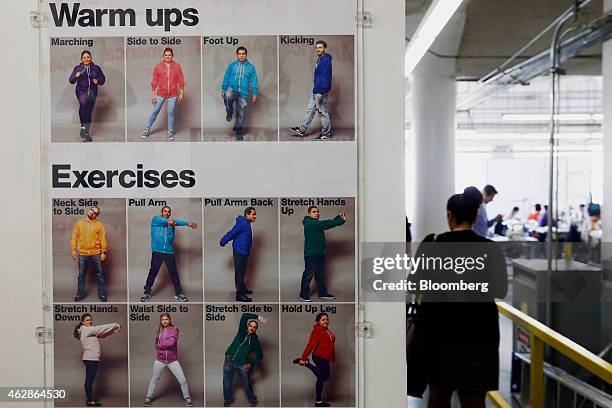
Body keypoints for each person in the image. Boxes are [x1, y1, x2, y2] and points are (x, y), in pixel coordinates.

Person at [409, 186, 508, 408]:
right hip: (478, 337)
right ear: (475, 217)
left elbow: (414, 284)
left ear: (449, 216)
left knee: (438, 396)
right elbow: (500, 289)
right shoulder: (490, 249)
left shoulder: (432, 244)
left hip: (439, 335)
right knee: (473, 399)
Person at [141, 206, 197, 303]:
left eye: (168, 212)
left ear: (170, 214)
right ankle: (147, 292)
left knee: (174, 273)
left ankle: (179, 293)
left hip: (169, 252)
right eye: (165, 211)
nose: (166, 213)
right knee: (153, 272)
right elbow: (173, 221)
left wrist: (171, 228)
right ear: (162, 212)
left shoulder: (171, 225)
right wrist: (187, 223)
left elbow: (170, 240)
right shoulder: (156, 219)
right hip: (157, 252)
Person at [144, 313, 194, 407]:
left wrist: (160, 345)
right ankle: (148, 397)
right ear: (161, 321)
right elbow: (156, 344)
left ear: (169, 320)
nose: (164, 321)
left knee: (182, 380)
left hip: (172, 361)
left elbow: (171, 343)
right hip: (160, 360)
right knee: (154, 379)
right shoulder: (159, 330)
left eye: (166, 319)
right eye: (162, 319)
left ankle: (187, 397)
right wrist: (159, 347)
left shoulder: (174, 329)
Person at [299, 206, 346, 302]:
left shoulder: (316, 223)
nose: (317, 213)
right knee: (308, 275)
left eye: (317, 212)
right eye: (314, 212)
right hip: (311, 254)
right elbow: (325, 224)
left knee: (320, 275)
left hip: (319, 254)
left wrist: (338, 217)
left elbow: (325, 223)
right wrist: (341, 221)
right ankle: (303, 294)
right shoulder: (310, 223)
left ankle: (322, 293)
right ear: (309, 214)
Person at [73, 314, 121, 407]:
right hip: (91, 359)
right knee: (89, 380)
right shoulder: (87, 329)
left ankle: (89, 399)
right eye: (87, 320)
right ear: (83, 322)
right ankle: (90, 401)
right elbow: (100, 328)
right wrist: (115, 324)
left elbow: (102, 334)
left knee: (89, 380)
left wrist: (113, 331)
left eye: (90, 320)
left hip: (91, 359)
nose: (90, 321)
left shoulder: (88, 330)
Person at [290, 40, 333, 140]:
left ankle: (326, 133)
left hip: (320, 91)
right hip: (316, 89)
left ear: (325, 49)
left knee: (323, 112)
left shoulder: (326, 59)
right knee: (310, 110)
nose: (318, 49)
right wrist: (315, 90)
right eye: (317, 47)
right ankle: (302, 129)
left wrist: (320, 92)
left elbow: (325, 77)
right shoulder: (319, 60)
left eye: (320, 47)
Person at [293, 312, 336, 407]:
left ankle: (318, 401)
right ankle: (318, 401)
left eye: (327, 319)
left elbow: (330, 344)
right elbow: (311, 345)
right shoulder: (317, 330)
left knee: (324, 377)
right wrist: (304, 358)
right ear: (318, 321)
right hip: (319, 356)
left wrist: (332, 356)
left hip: (325, 357)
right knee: (322, 376)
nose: (326, 321)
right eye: (323, 319)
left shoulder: (326, 330)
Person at [142, 48, 185, 142]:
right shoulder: (158, 67)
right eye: (166, 55)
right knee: (155, 111)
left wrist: (181, 93)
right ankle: (147, 129)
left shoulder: (177, 66)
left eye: (169, 55)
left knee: (170, 112)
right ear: (163, 55)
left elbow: (181, 80)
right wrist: (153, 94)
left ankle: (170, 132)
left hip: (173, 94)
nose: (168, 57)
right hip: (161, 93)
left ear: (172, 56)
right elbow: (154, 81)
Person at [223, 313, 266, 407]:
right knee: (227, 382)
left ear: (256, 329)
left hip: (242, 365)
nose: (252, 328)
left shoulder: (255, 341)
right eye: (250, 326)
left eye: (254, 327)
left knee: (247, 384)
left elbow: (259, 355)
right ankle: (228, 400)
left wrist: (251, 363)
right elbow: (244, 316)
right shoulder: (241, 331)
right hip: (229, 361)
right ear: (248, 326)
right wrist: (258, 317)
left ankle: (252, 400)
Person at [221, 46, 258, 141]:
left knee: (241, 113)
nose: (241, 55)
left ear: (246, 55)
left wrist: (254, 94)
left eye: (243, 54)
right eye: (239, 54)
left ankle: (238, 131)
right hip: (231, 89)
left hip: (243, 92)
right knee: (227, 97)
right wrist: (223, 89)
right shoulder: (232, 65)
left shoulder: (251, 67)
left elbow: (254, 81)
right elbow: (226, 76)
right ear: (237, 55)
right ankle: (229, 113)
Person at [71, 206, 108, 302]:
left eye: (95, 212)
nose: (92, 213)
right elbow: (74, 237)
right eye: (92, 210)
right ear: (89, 210)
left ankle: (102, 294)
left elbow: (102, 239)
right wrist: (73, 250)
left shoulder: (99, 225)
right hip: (83, 253)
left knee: (99, 274)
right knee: (81, 275)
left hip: (96, 253)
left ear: (96, 215)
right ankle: (80, 294)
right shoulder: (79, 223)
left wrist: (103, 252)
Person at [220, 207, 257, 302]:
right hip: (239, 251)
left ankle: (242, 289)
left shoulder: (247, 224)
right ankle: (239, 295)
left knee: (243, 271)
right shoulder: (242, 224)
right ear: (247, 215)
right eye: (253, 214)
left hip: (244, 251)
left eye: (255, 214)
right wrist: (223, 241)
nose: (255, 216)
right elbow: (232, 233)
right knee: (239, 273)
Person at [68, 50, 106, 142]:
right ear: (81, 59)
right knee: (83, 105)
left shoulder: (96, 68)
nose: (86, 59)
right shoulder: (78, 68)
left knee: (88, 111)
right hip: (81, 90)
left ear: (91, 58)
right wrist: (76, 76)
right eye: (84, 57)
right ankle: (83, 128)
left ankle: (86, 132)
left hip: (92, 91)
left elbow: (103, 79)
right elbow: (71, 80)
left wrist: (98, 81)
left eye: (88, 57)